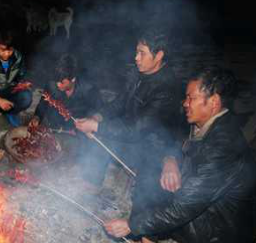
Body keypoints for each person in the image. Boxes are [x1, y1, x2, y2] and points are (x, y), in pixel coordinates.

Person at [104, 68, 256, 243]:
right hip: (209, 208)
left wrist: (132, 225)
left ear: (214, 102)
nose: (185, 103)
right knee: (152, 170)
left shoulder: (223, 148)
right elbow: (177, 140)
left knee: (151, 190)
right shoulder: (208, 122)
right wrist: (170, 160)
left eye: (191, 98)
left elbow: (182, 209)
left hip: (221, 237)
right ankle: (146, 238)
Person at [74, 29, 181, 195]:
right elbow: (120, 102)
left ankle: (134, 175)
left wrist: (96, 126)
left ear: (159, 55)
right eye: (136, 52)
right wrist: (97, 117)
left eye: (142, 53)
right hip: (131, 129)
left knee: (102, 133)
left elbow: (138, 130)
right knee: (98, 130)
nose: (136, 58)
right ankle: (93, 180)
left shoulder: (166, 88)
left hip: (153, 145)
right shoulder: (138, 73)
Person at [30, 54, 96, 131]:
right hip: (54, 126)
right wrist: (37, 117)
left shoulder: (88, 90)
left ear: (73, 79)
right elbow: (42, 104)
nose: (58, 84)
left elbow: (99, 111)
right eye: (57, 81)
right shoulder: (51, 85)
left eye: (62, 82)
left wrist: (91, 121)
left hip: (77, 129)